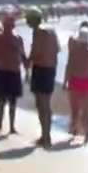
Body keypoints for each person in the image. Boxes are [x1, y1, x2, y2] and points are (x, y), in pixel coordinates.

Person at [25, 8, 60, 148]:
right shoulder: (51, 32)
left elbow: (36, 53)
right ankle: (46, 135)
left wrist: (26, 61)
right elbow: (57, 49)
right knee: (46, 103)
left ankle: (45, 136)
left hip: (41, 70)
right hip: (51, 69)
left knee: (41, 104)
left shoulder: (38, 32)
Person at [0, 14, 27, 135]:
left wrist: (27, 70)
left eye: (10, 26)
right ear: (4, 26)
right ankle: (0, 125)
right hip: (1, 71)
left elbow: (23, 55)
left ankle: (11, 126)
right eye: (7, 26)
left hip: (13, 71)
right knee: (1, 101)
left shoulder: (17, 39)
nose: (9, 28)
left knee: (12, 101)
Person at [64, 27, 88, 143]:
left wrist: (65, 82)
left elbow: (69, 68)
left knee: (75, 109)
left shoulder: (74, 53)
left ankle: (74, 130)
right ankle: (87, 133)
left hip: (75, 81)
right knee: (87, 110)